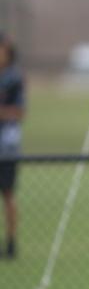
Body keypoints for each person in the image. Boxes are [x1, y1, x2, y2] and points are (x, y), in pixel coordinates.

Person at [0, 34, 24, 259]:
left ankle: (11, 242)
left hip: (6, 147)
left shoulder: (14, 78)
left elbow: (19, 112)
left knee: (8, 194)